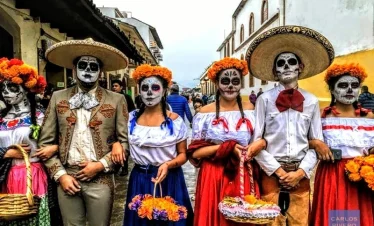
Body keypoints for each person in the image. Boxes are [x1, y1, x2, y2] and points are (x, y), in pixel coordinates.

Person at [246, 25, 335, 225]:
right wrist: (278, 171)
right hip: (270, 171)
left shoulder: (311, 101)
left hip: (299, 173)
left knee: (300, 221)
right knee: (271, 221)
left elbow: (316, 142)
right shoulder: (264, 100)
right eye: (281, 63)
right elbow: (257, 143)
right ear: (275, 71)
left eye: (291, 62)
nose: (286, 66)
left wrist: (300, 173)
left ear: (299, 68)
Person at [38, 38, 129, 226]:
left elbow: (126, 142)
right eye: (83, 65)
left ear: (101, 72)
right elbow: (44, 143)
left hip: (101, 179)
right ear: (74, 70)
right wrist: (60, 176)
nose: (87, 70)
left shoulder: (117, 100)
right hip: (67, 176)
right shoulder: (57, 97)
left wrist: (100, 165)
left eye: (93, 67)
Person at [188, 57, 266, 226]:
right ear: (217, 83)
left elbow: (260, 140)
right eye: (225, 81)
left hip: (242, 172)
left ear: (241, 84)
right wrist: (226, 148)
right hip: (212, 174)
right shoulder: (204, 113)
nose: (230, 85)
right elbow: (194, 152)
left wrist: (260, 143)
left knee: (243, 218)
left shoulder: (252, 110)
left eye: (235, 81)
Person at [122, 64, 193, 226]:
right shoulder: (131, 118)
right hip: (140, 179)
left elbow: (183, 155)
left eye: (155, 87)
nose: (149, 92)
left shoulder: (175, 121)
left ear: (164, 91)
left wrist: (168, 164)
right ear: (139, 90)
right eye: (145, 87)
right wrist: (116, 145)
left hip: (170, 179)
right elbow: (119, 139)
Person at [0, 58, 62, 225]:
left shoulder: (41, 115)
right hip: (5, 176)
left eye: (12, 88)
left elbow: (64, 139)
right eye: (3, 88)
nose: (6, 92)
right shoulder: (0, 118)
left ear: (26, 89)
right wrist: (7, 153)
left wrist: (54, 148)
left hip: (34, 174)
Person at [310, 64, 374, 226]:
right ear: (332, 89)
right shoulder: (321, 116)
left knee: (358, 219)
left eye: (354, 85)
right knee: (336, 219)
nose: (350, 90)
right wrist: (316, 143)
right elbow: (305, 141)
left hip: (361, 177)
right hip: (332, 174)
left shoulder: (369, 118)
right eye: (343, 85)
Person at [112, 79, 135, 176]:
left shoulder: (127, 97)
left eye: (116, 86)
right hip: (112, 125)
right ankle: (115, 166)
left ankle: (124, 167)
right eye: (113, 86)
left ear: (121, 87)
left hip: (124, 125)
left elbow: (132, 110)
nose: (114, 88)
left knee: (123, 145)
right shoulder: (110, 97)